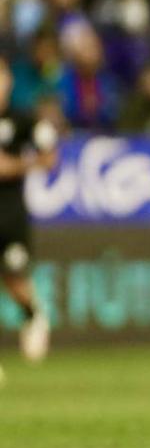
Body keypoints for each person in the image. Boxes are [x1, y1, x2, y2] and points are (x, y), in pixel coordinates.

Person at [0, 59, 59, 379]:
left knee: (15, 278)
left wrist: (16, 166)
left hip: (9, 214)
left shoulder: (21, 120)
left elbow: (50, 155)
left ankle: (34, 314)